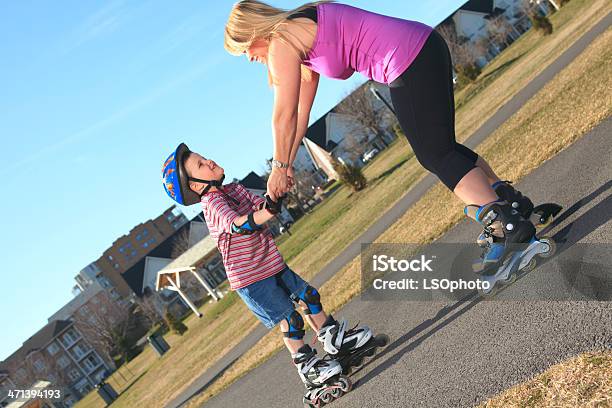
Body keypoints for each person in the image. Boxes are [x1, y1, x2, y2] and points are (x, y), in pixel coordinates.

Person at [223, 0, 545, 274]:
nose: (250, 58)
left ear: (253, 33)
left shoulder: (281, 38)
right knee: (443, 150)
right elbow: (301, 116)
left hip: (408, 59)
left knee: (435, 154)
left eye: (244, 51)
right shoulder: (299, 36)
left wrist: (278, 168)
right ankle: (511, 203)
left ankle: (509, 227)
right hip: (420, 49)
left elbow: (283, 115)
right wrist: (288, 164)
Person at [161, 143, 378, 402]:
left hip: (271, 263)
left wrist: (277, 192)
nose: (208, 161)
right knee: (291, 319)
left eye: (204, 157)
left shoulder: (234, 190)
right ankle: (308, 370)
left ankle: (334, 341)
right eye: (200, 165)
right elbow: (239, 224)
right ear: (195, 186)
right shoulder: (212, 205)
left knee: (309, 296)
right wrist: (267, 209)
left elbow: (263, 207)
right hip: (251, 279)